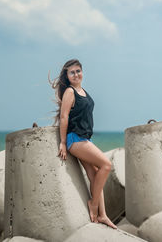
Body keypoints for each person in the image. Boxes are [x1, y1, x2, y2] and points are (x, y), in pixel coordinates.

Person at [49, 59, 117, 229]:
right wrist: (63, 143)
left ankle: (103, 215)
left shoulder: (83, 91)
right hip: (75, 139)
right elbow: (64, 118)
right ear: (67, 76)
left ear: (82, 72)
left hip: (85, 138)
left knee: (94, 174)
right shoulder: (70, 92)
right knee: (106, 165)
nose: (76, 74)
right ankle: (93, 205)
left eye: (78, 71)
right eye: (72, 72)